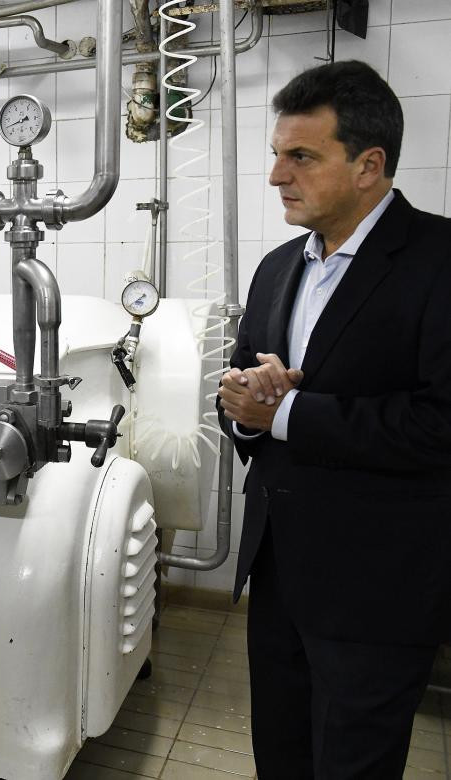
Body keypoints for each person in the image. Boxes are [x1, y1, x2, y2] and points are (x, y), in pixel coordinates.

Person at [217, 59, 451, 777]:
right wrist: (248, 416)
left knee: (353, 763)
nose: (276, 176)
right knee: (281, 754)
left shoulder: (439, 261)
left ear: (368, 165)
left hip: (379, 585)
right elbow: (239, 401)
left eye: (301, 157)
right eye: (276, 155)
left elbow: (441, 424)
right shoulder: (277, 268)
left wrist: (288, 414)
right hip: (280, 570)